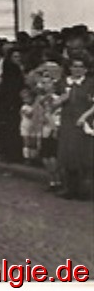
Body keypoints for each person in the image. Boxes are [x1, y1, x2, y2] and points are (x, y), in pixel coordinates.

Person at [54, 54, 94, 200]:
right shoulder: (63, 83)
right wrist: (62, 99)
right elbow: (53, 103)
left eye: (81, 67)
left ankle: (85, 191)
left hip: (84, 123)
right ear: (70, 68)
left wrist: (84, 117)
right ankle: (70, 189)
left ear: (86, 69)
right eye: (74, 66)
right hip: (67, 122)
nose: (77, 69)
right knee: (68, 155)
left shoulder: (90, 83)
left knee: (84, 156)